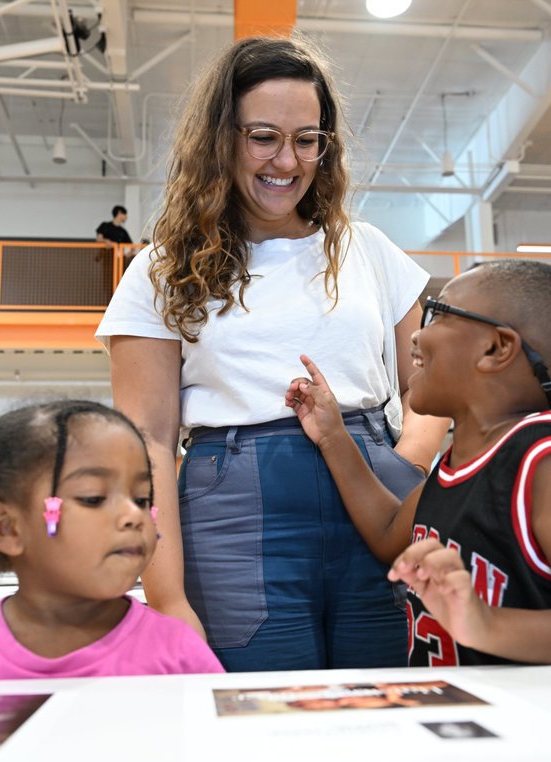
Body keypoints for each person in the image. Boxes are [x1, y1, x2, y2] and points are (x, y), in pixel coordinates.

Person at [96, 36, 449, 671]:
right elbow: (147, 440)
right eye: (263, 136)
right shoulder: (160, 269)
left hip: (377, 491)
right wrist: (168, 595)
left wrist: (404, 466)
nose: (287, 160)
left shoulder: (367, 250)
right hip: (235, 515)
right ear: (220, 139)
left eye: (307, 139)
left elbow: (436, 392)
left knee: (391, 703)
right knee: (255, 719)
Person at [287, 261, 551, 666]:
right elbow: (389, 534)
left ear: (496, 348)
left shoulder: (550, 466)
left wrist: (483, 623)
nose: (416, 336)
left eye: (438, 314)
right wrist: (333, 437)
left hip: (535, 722)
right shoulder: (459, 463)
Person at [0, 397, 222, 683]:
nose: (133, 515)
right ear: (7, 528)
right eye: (93, 498)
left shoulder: (179, 653)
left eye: (142, 498)